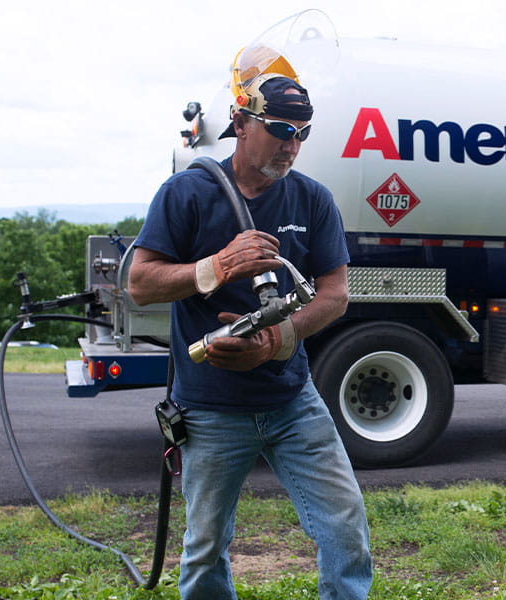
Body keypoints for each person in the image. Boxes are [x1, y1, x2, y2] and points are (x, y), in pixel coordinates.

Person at [128, 48, 372, 600]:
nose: (292, 144)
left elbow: (334, 295)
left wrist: (276, 341)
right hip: (210, 409)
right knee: (206, 545)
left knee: (343, 525)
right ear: (240, 122)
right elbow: (140, 283)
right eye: (281, 128)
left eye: (303, 133)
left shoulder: (312, 199)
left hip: (292, 400)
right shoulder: (186, 193)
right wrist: (216, 267)